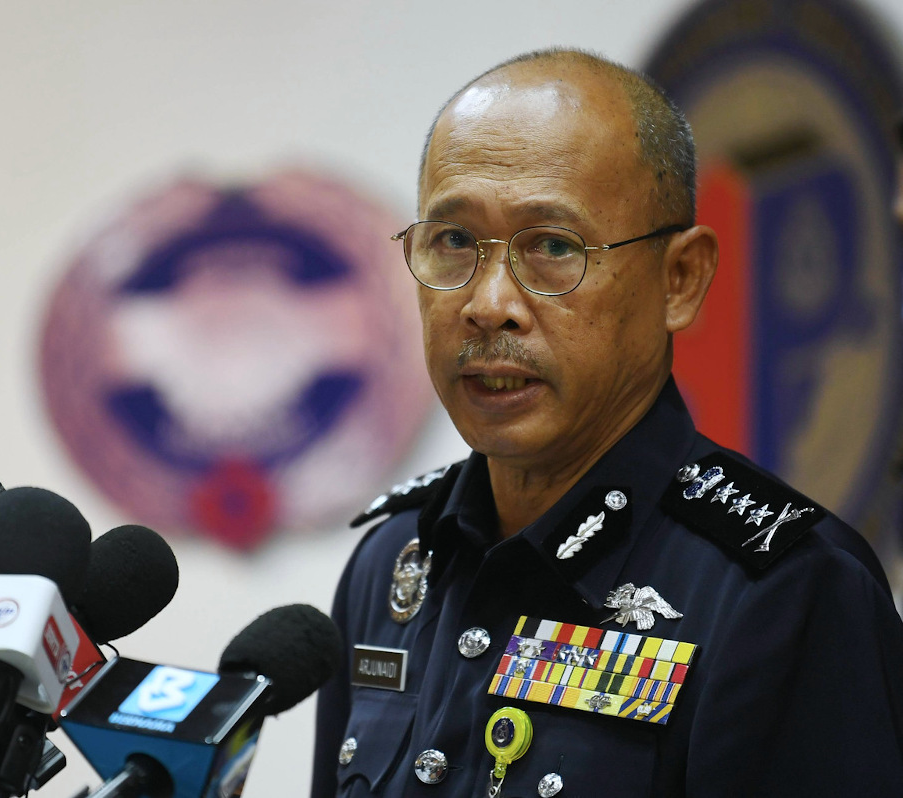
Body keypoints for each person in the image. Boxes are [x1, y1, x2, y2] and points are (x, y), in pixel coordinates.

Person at [312, 48, 903, 797]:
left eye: (553, 247)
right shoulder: (395, 562)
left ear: (679, 279)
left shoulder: (786, 592)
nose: (488, 303)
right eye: (454, 241)